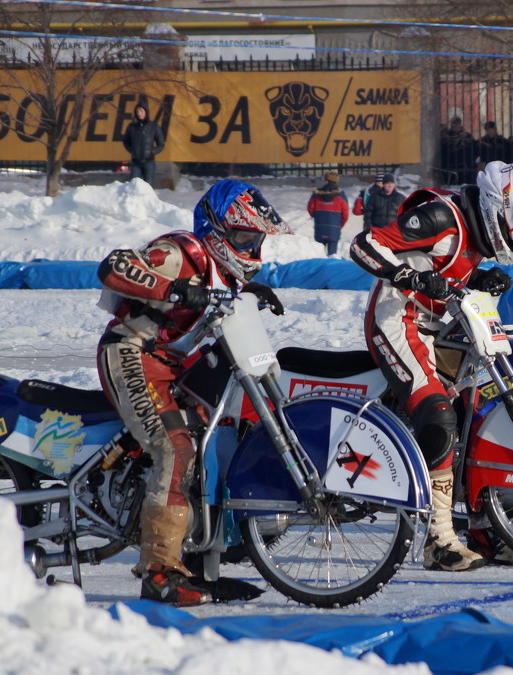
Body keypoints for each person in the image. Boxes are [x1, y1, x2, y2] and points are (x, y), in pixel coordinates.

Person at [348, 160, 513, 569]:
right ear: (498, 208)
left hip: (440, 325)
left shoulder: (476, 230)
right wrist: (405, 277)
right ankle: (437, 542)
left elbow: (445, 270)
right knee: (440, 417)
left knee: (473, 418)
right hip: (399, 320)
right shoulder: (439, 217)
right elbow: (364, 244)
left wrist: (481, 280)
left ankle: (485, 532)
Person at [96, 180, 290, 605]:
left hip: (173, 363)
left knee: (209, 442)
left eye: (254, 239)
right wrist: (173, 288)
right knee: (176, 449)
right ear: (216, 231)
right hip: (133, 351)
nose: (249, 246)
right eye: (241, 237)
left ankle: (200, 566)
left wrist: (248, 292)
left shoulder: (221, 271)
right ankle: (159, 573)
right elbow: (113, 266)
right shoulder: (181, 252)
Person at [122, 102, 166, 187]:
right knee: (134, 186)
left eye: (141, 111)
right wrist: (132, 150)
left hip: (149, 162)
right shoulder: (132, 127)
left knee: (148, 188)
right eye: (138, 111)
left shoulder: (153, 126)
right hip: (136, 162)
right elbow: (126, 141)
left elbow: (161, 144)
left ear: (146, 112)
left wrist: (152, 152)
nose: (139, 114)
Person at [308, 171, 350, 256]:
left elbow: (310, 209)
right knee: (332, 255)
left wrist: (317, 217)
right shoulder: (341, 196)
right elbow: (345, 215)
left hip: (320, 227)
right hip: (334, 228)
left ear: (326, 181)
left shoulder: (317, 195)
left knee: (319, 253)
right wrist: (339, 225)